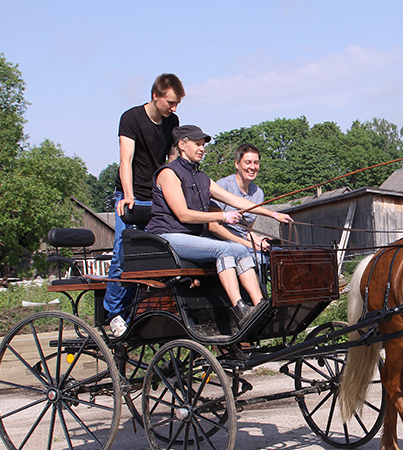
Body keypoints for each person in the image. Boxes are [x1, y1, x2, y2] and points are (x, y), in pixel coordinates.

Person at [147, 125, 294, 326]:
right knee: (224, 249)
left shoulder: (201, 178)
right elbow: (183, 215)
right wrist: (223, 216)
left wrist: (273, 214)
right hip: (167, 236)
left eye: (203, 145)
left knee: (241, 249)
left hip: (192, 238)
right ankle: (240, 309)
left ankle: (260, 306)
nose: (202, 148)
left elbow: (236, 200)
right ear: (182, 145)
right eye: (197, 144)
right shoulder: (169, 173)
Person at [104, 73, 184, 336]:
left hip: (156, 195)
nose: (174, 108)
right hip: (132, 194)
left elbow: (172, 161)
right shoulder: (131, 118)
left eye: (177, 103)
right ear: (156, 96)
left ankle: (144, 309)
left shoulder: (172, 122)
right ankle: (114, 313)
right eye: (170, 102)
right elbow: (125, 160)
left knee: (158, 254)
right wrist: (128, 195)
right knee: (123, 254)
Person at [207, 143, 275, 261]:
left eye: (256, 163)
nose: (252, 167)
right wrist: (246, 244)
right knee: (259, 258)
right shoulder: (223, 186)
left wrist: (257, 240)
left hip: (243, 242)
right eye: (248, 162)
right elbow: (213, 226)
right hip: (221, 241)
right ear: (237, 164)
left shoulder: (258, 193)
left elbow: (246, 229)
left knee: (277, 254)